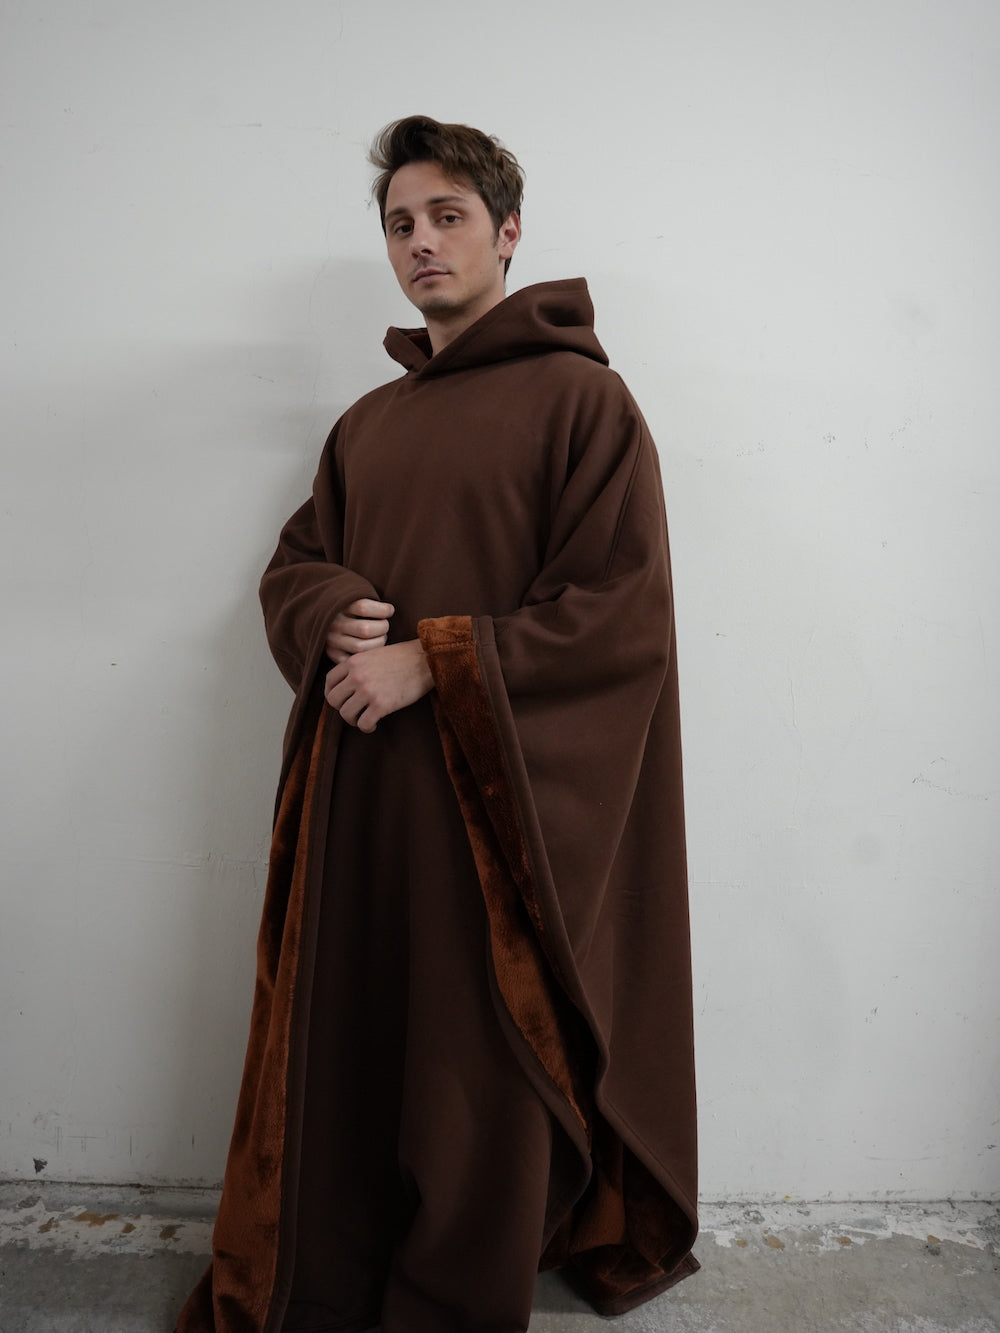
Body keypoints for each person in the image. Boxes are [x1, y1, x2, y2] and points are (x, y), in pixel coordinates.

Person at [177, 115, 698, 1333]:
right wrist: (326, 610)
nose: (420, 242)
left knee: (475, 1067)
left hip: (496, 813)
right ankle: (336, 1265)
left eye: (448, 216)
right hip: (366, 792)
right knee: (360, 1045)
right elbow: (295, 563)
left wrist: (439, 659)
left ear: (508, 234)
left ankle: (454, 1301)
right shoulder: (367, 422)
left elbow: (620, 612)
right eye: (400, 223)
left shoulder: (585, 403)